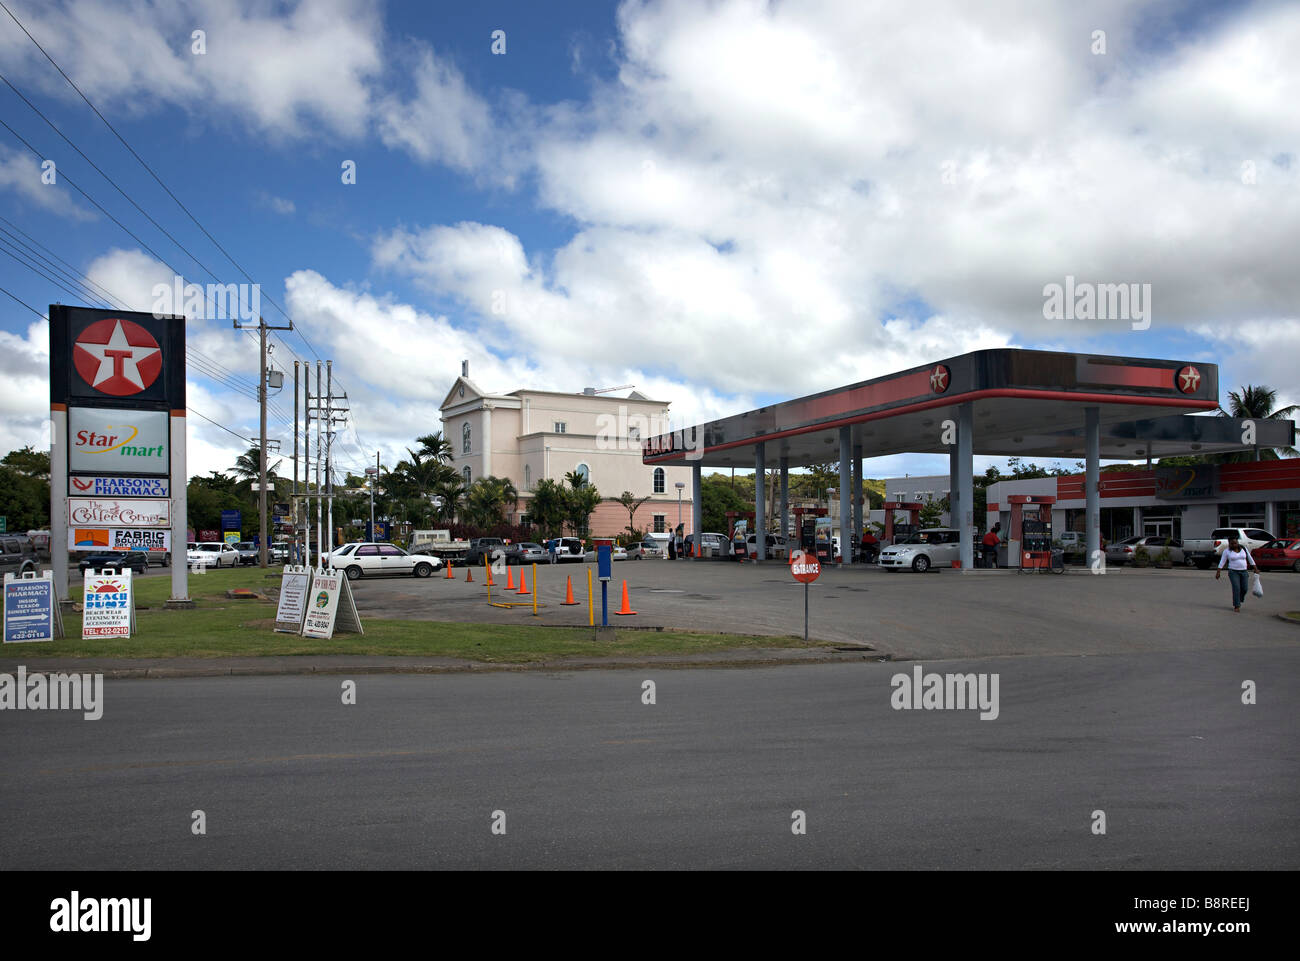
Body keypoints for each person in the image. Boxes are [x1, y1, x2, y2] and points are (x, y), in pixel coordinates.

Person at [1215, 534, 1258, 613]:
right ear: (1229, 544)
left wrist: (1255, 568)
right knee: (1236, 588)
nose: (1234, 545)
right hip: (1233, 572)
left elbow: (1250, 558)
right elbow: (1222, 562)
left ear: (1237, 542)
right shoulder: (1227, 551)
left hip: (1244, 571)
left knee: (1244, 588)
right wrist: (1218, 572)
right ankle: (1236, 605)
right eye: (1232, 543)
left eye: (1235, 543)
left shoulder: (1244, 549)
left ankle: (1240, 599)